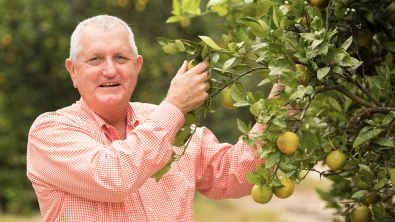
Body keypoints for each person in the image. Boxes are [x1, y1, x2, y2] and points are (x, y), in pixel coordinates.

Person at [27, 15, 285, 221]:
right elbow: (113, 177)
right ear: (72, 71)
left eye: (121, 58)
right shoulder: (50, 131)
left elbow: (237, 173)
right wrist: (173, 107)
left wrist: (287, 95)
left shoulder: (165, 120)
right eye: (95, 59)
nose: (109, 70)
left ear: (137, 66)